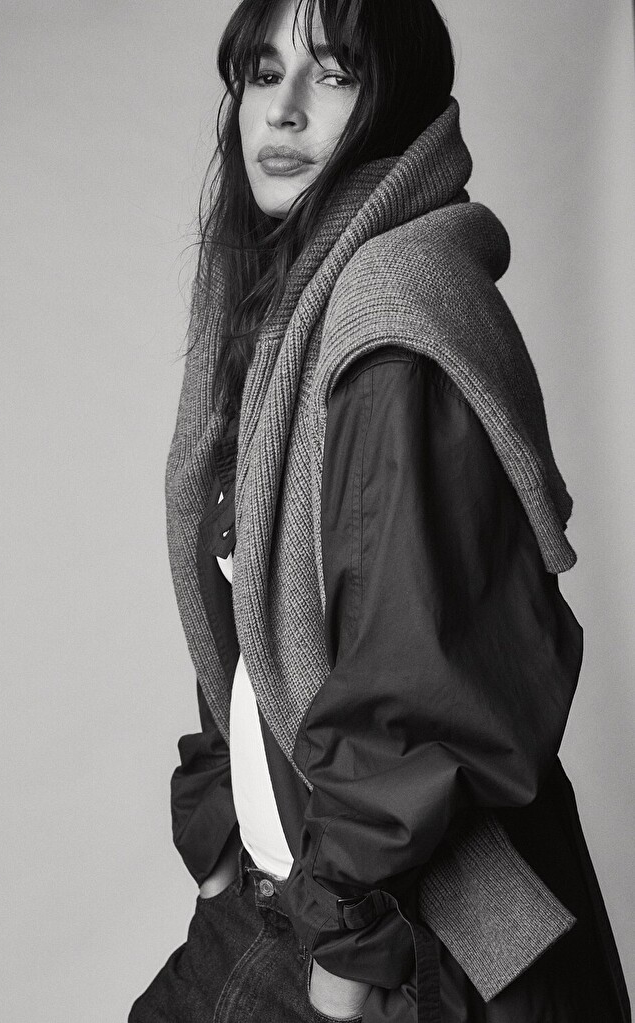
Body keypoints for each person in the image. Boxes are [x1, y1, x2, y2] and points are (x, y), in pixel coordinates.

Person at [128, 1, 632, 1021]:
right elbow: (258, 624)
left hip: (399, 950)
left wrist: (340, 977)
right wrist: (225, 846)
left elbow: (420, 689)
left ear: (392, 104)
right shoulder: (281, 312)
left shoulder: (389, 329)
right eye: (262, 73)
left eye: (334, 74)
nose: (283, 110)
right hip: (294, 905)